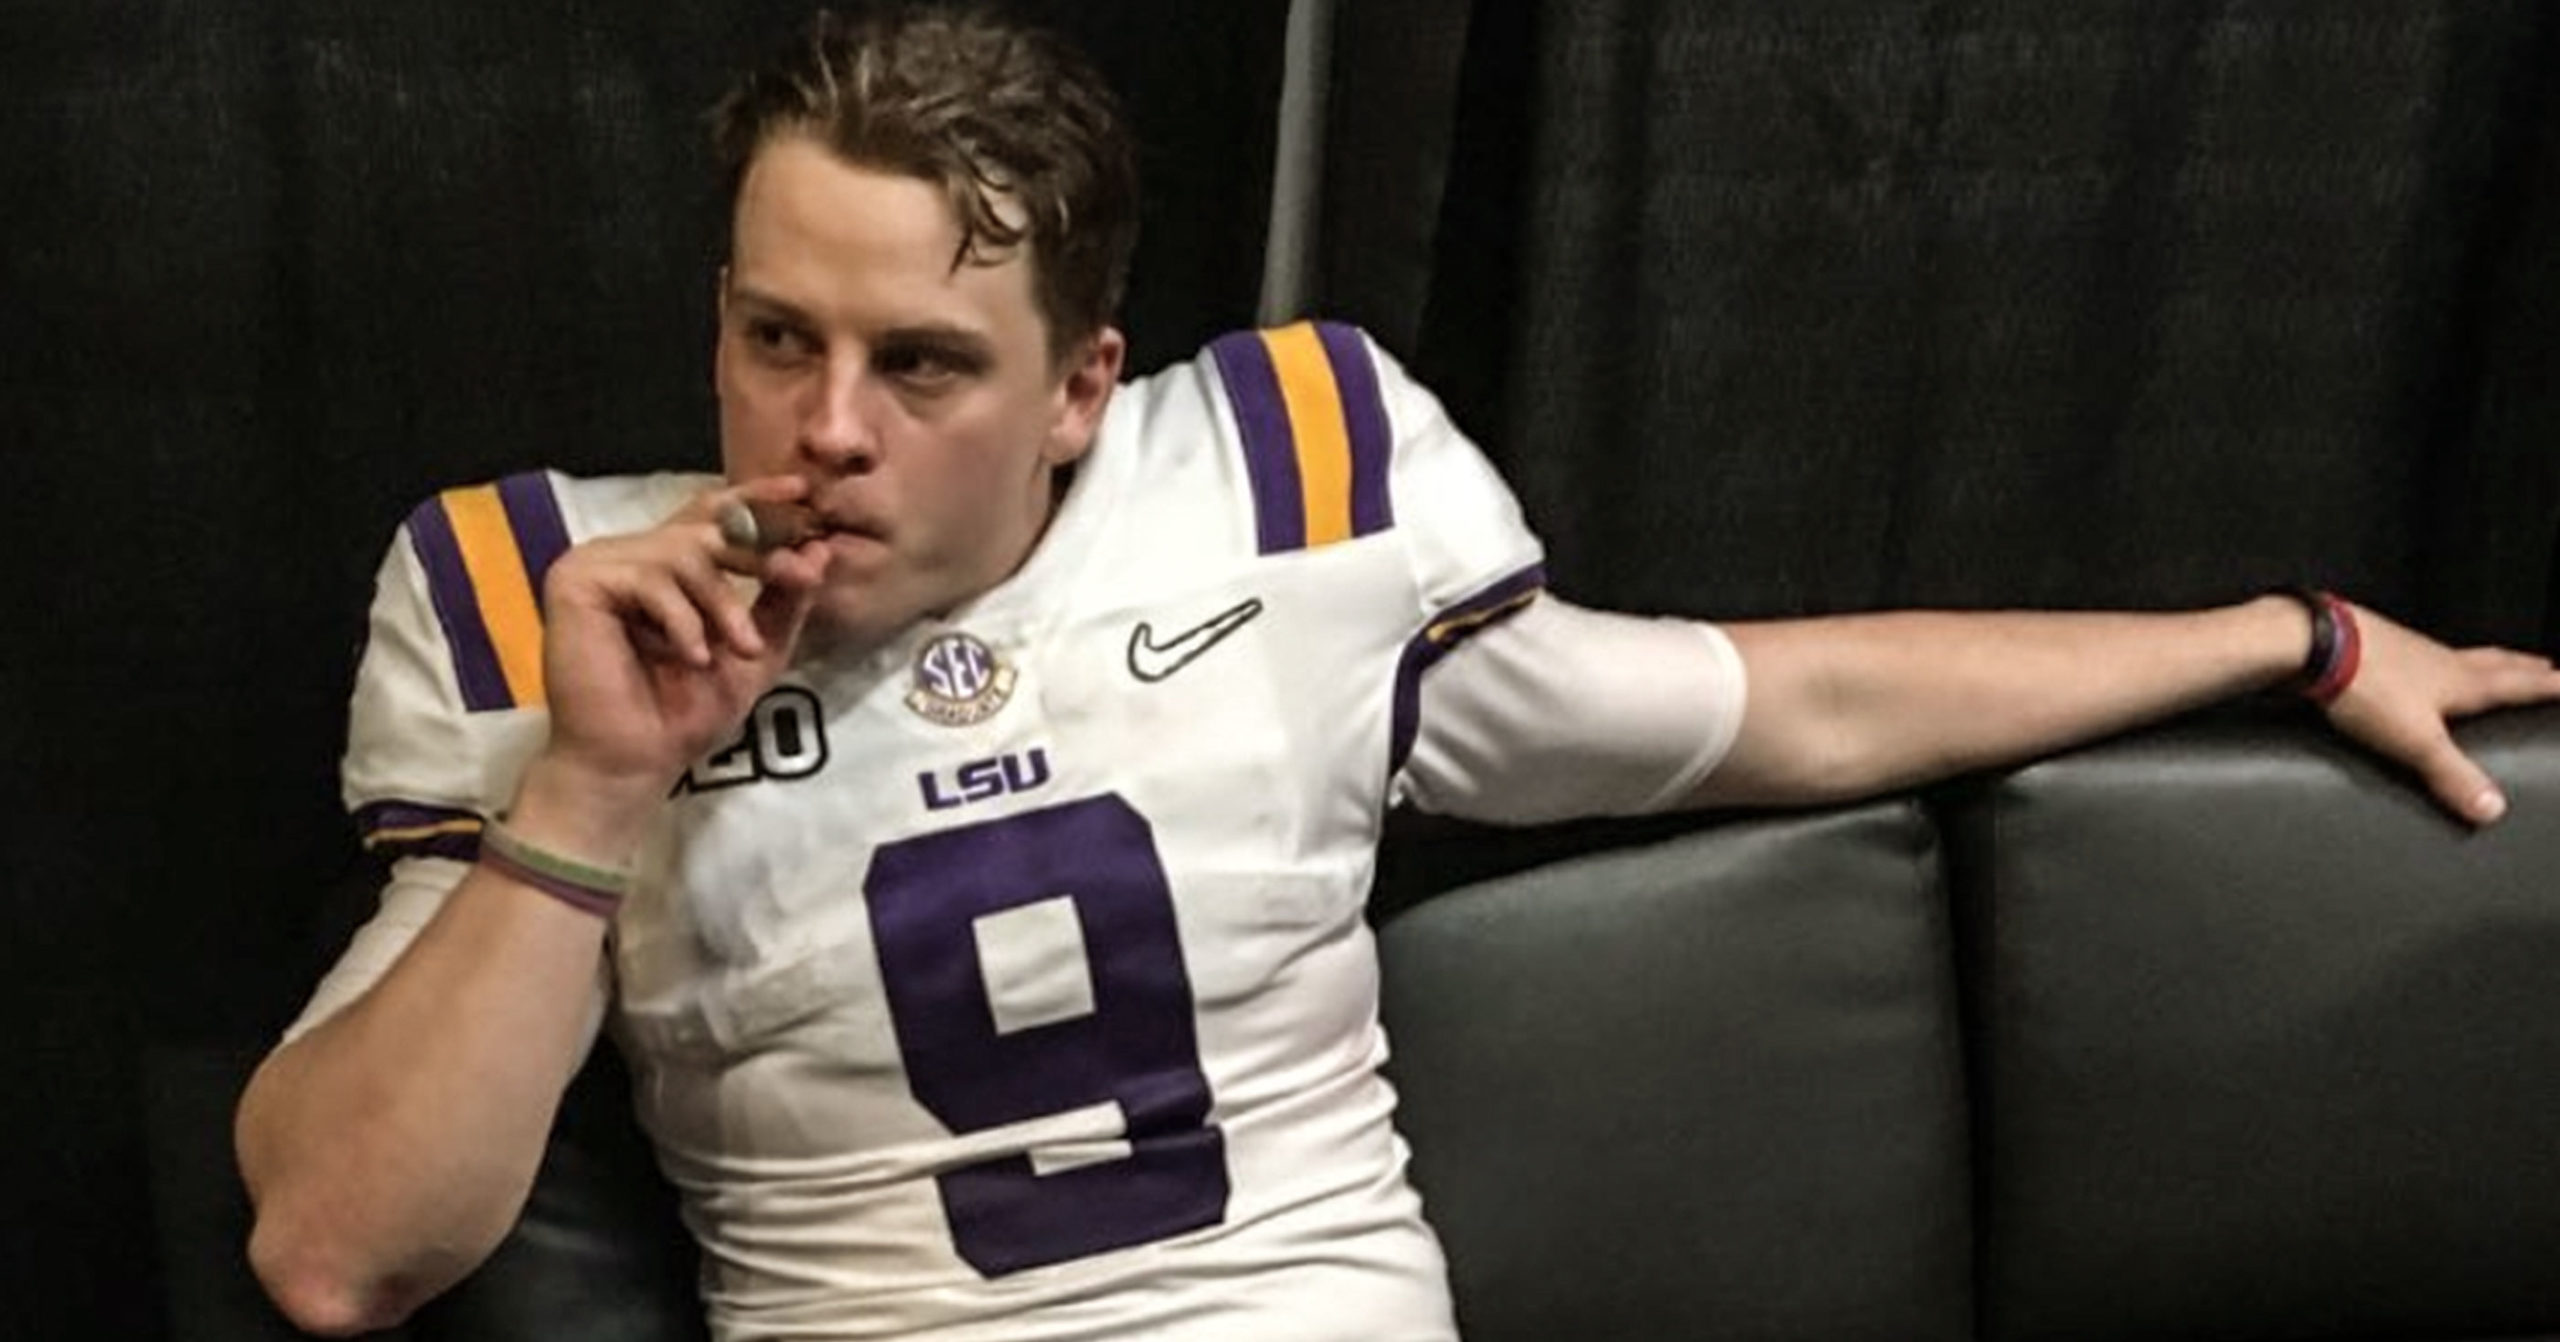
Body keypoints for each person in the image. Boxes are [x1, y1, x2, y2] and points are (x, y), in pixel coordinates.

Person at [233, 3, 2560, 1338]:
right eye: (773, 337)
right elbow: (339, 1249)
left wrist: (2294, 633)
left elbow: (1772, 710)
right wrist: (597, 788)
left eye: (921, 363)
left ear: (1080, 388)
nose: (823, 428)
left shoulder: (1286, 481)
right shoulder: (549, 596)